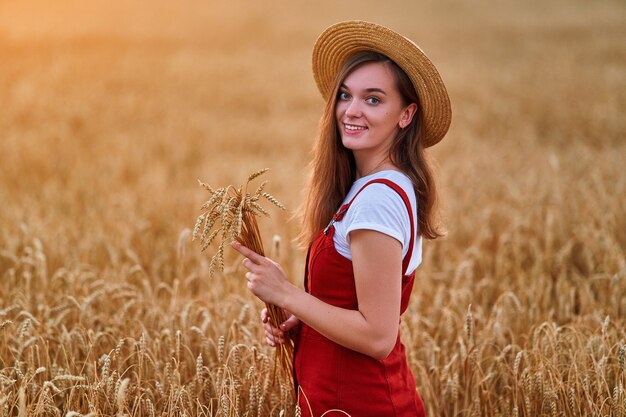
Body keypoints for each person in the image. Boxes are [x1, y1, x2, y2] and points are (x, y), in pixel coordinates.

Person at [231, 20, 451, 417]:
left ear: (406, 114)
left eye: (373, 99)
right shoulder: (367, 189)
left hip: (365, 404)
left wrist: (286, 293)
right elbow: (355, 299)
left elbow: (378, 335)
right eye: (346, 95)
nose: (351, 110)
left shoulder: (377, 201)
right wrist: (303, 317)